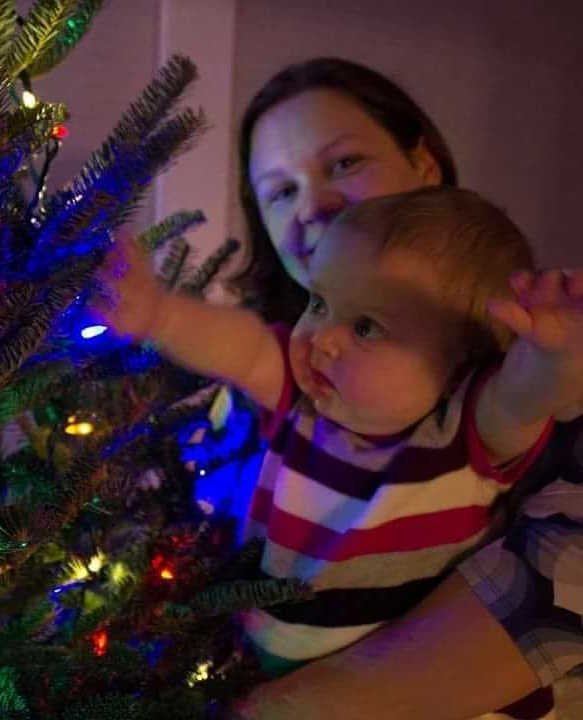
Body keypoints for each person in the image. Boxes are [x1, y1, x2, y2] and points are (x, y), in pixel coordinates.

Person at [92, 185, 582, 720]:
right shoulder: (304, 403)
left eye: (366, 326)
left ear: (460, 364)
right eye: (319, 303)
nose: (321, 338)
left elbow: (523, 396)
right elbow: (245, 348)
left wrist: (554, 357)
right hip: (270, 671)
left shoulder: (463, 434)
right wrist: (158, 314)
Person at [224, 58, 583, 720]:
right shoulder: (273, 372)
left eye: (343, 163)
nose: (314, 207)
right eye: (279, 192)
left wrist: (554, 358)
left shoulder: (476, 392)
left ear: (424, 165)